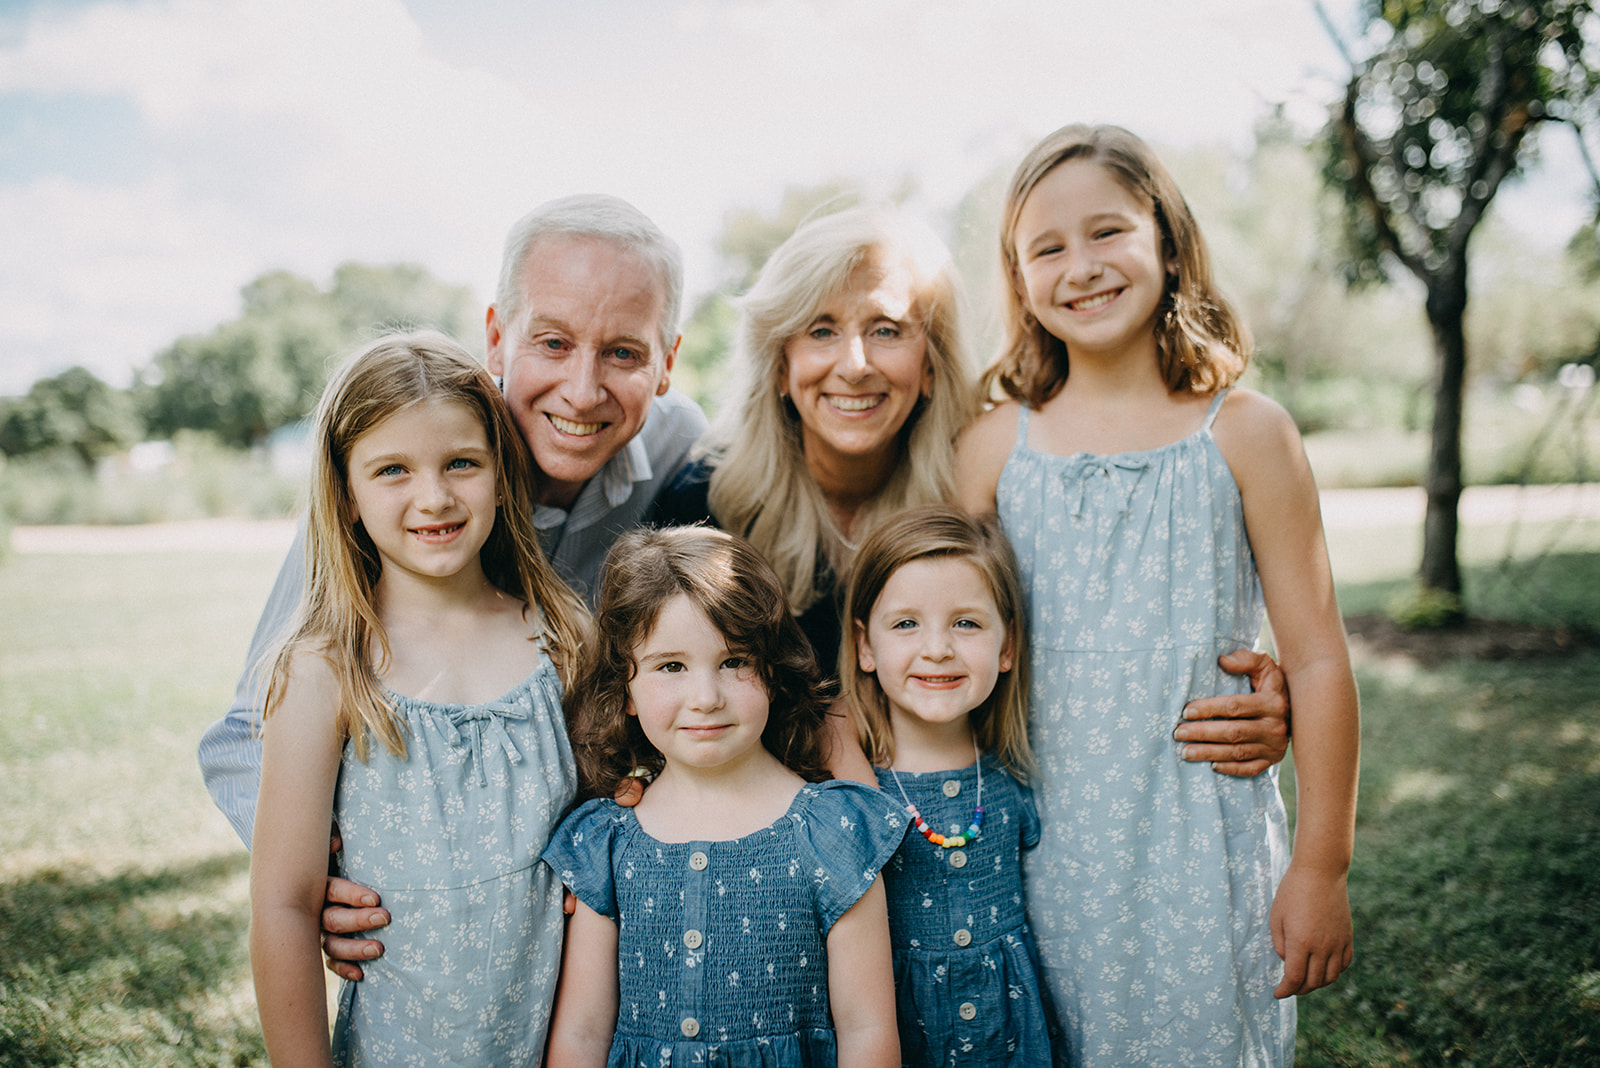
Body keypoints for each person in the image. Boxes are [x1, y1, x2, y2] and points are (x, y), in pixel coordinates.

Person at [198, 194, 706, 977]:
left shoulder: (680, 452)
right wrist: (316, 882)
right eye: (553, 342)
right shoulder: (404, 477)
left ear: (668, 360)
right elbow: (242, 737)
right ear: (498, 336)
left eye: (624, 354)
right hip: (419, 937)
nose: (581, 388)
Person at [955, 123, 1360, 1066]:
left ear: (1168, 244)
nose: (1081, 266)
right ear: (1019, 282)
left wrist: (1321, 866)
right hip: (1035, 850)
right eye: (1046, 248)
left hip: (1200, 851)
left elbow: (1318, 656)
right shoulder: (990, 450)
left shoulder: (1249, 434)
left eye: (1108, 233)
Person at [651, 202, 1294, 774]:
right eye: (821, 331)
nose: (854, 364)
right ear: (780, 366)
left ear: (931, 365)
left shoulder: (987, 490)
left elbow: (1085, 640)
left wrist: (1248, 696)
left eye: (887, 329)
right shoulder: (703, 506)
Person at [248, 331, 591, 1065]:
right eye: (392, 469)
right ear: (345, 494)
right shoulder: (324, 671)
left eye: (461, 463)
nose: (433, 496)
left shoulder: (564, 641)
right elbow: (283, 907)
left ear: (501, 473)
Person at [542, 526, 905, 1067]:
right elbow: (581, 1035)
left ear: (773, 673)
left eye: (734, 661)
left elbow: (868, 1028)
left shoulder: (832, 830)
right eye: (671, 666)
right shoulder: (607, 839)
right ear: (626, 691)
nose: (706, 698)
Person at [840, 506, 1051, 1067]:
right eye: (906, 623)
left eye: (967, 623)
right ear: (866, 646)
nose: (938, 648)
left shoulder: (1013, 777)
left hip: (1010, 1038)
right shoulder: (847, 790)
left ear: (1007, 647)